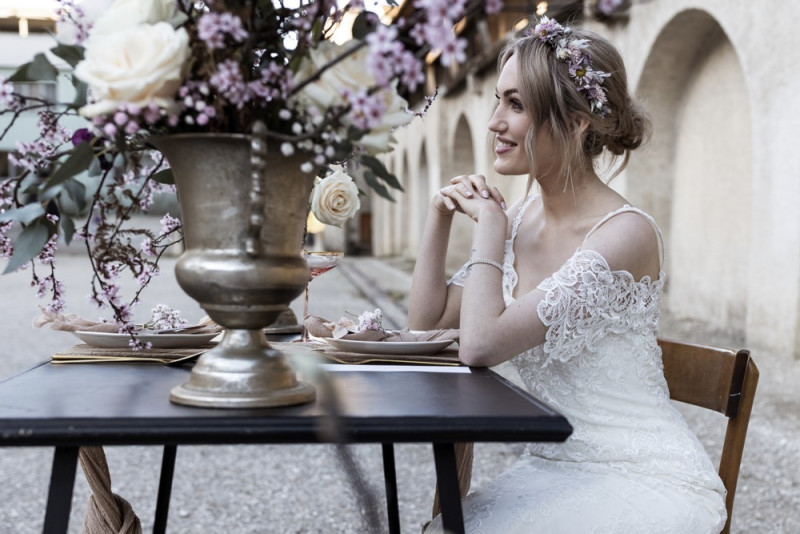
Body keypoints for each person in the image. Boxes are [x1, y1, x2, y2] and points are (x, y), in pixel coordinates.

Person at [409, 16, 727, 534]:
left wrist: (490, 227)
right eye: (497, 100)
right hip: (551, 468)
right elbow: (425, 326)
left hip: (646, 477)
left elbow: (479, 345)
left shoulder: (624, 235)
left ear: (577, 122)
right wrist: (438, 217)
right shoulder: (520, 219)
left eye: (516, 104)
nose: (494, 122)